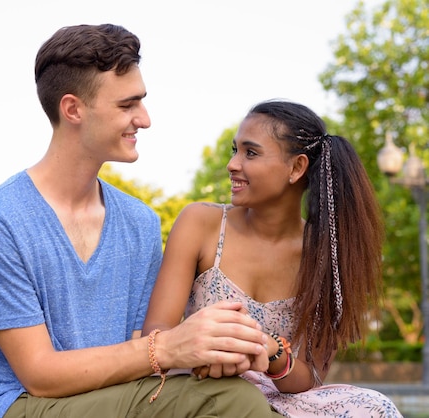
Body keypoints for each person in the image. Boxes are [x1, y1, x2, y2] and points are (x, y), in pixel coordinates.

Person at [0, 24, 284, 417]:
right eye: (127, 105)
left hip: (107, 398)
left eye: (141, 102)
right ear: (73, 109)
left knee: (229, 389)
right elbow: (39, 375)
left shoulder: (138, 221)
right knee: (230, 402)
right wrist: (168, 346)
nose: (144, 119)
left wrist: (226, 348)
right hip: (18, 405)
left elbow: (139, 355)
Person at [143, 99, 403, 417]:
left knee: (377, 408)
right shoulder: (201, 223)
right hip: (203, 390)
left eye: (250, 153)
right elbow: (155, 333)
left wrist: (273, 352)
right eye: (234, 150)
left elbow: (310, 378)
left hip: (283, 403)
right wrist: (206, 349)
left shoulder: (325, 257)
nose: (232, 164)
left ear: (296, 168)